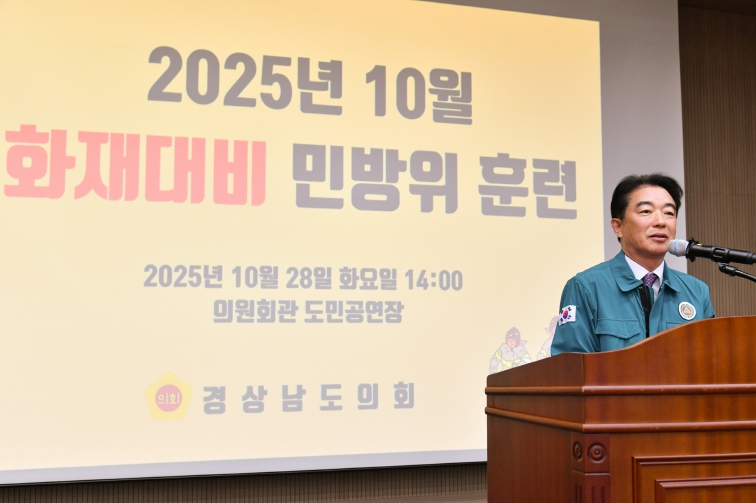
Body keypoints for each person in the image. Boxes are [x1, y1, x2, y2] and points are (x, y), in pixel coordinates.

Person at [550, 173, 714, 355]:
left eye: (669, 213)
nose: (661, 222)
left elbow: (710, 362)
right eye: (646, 211)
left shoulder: (696, 292)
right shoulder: (586, 287)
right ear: (618, 226)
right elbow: (571, 367)